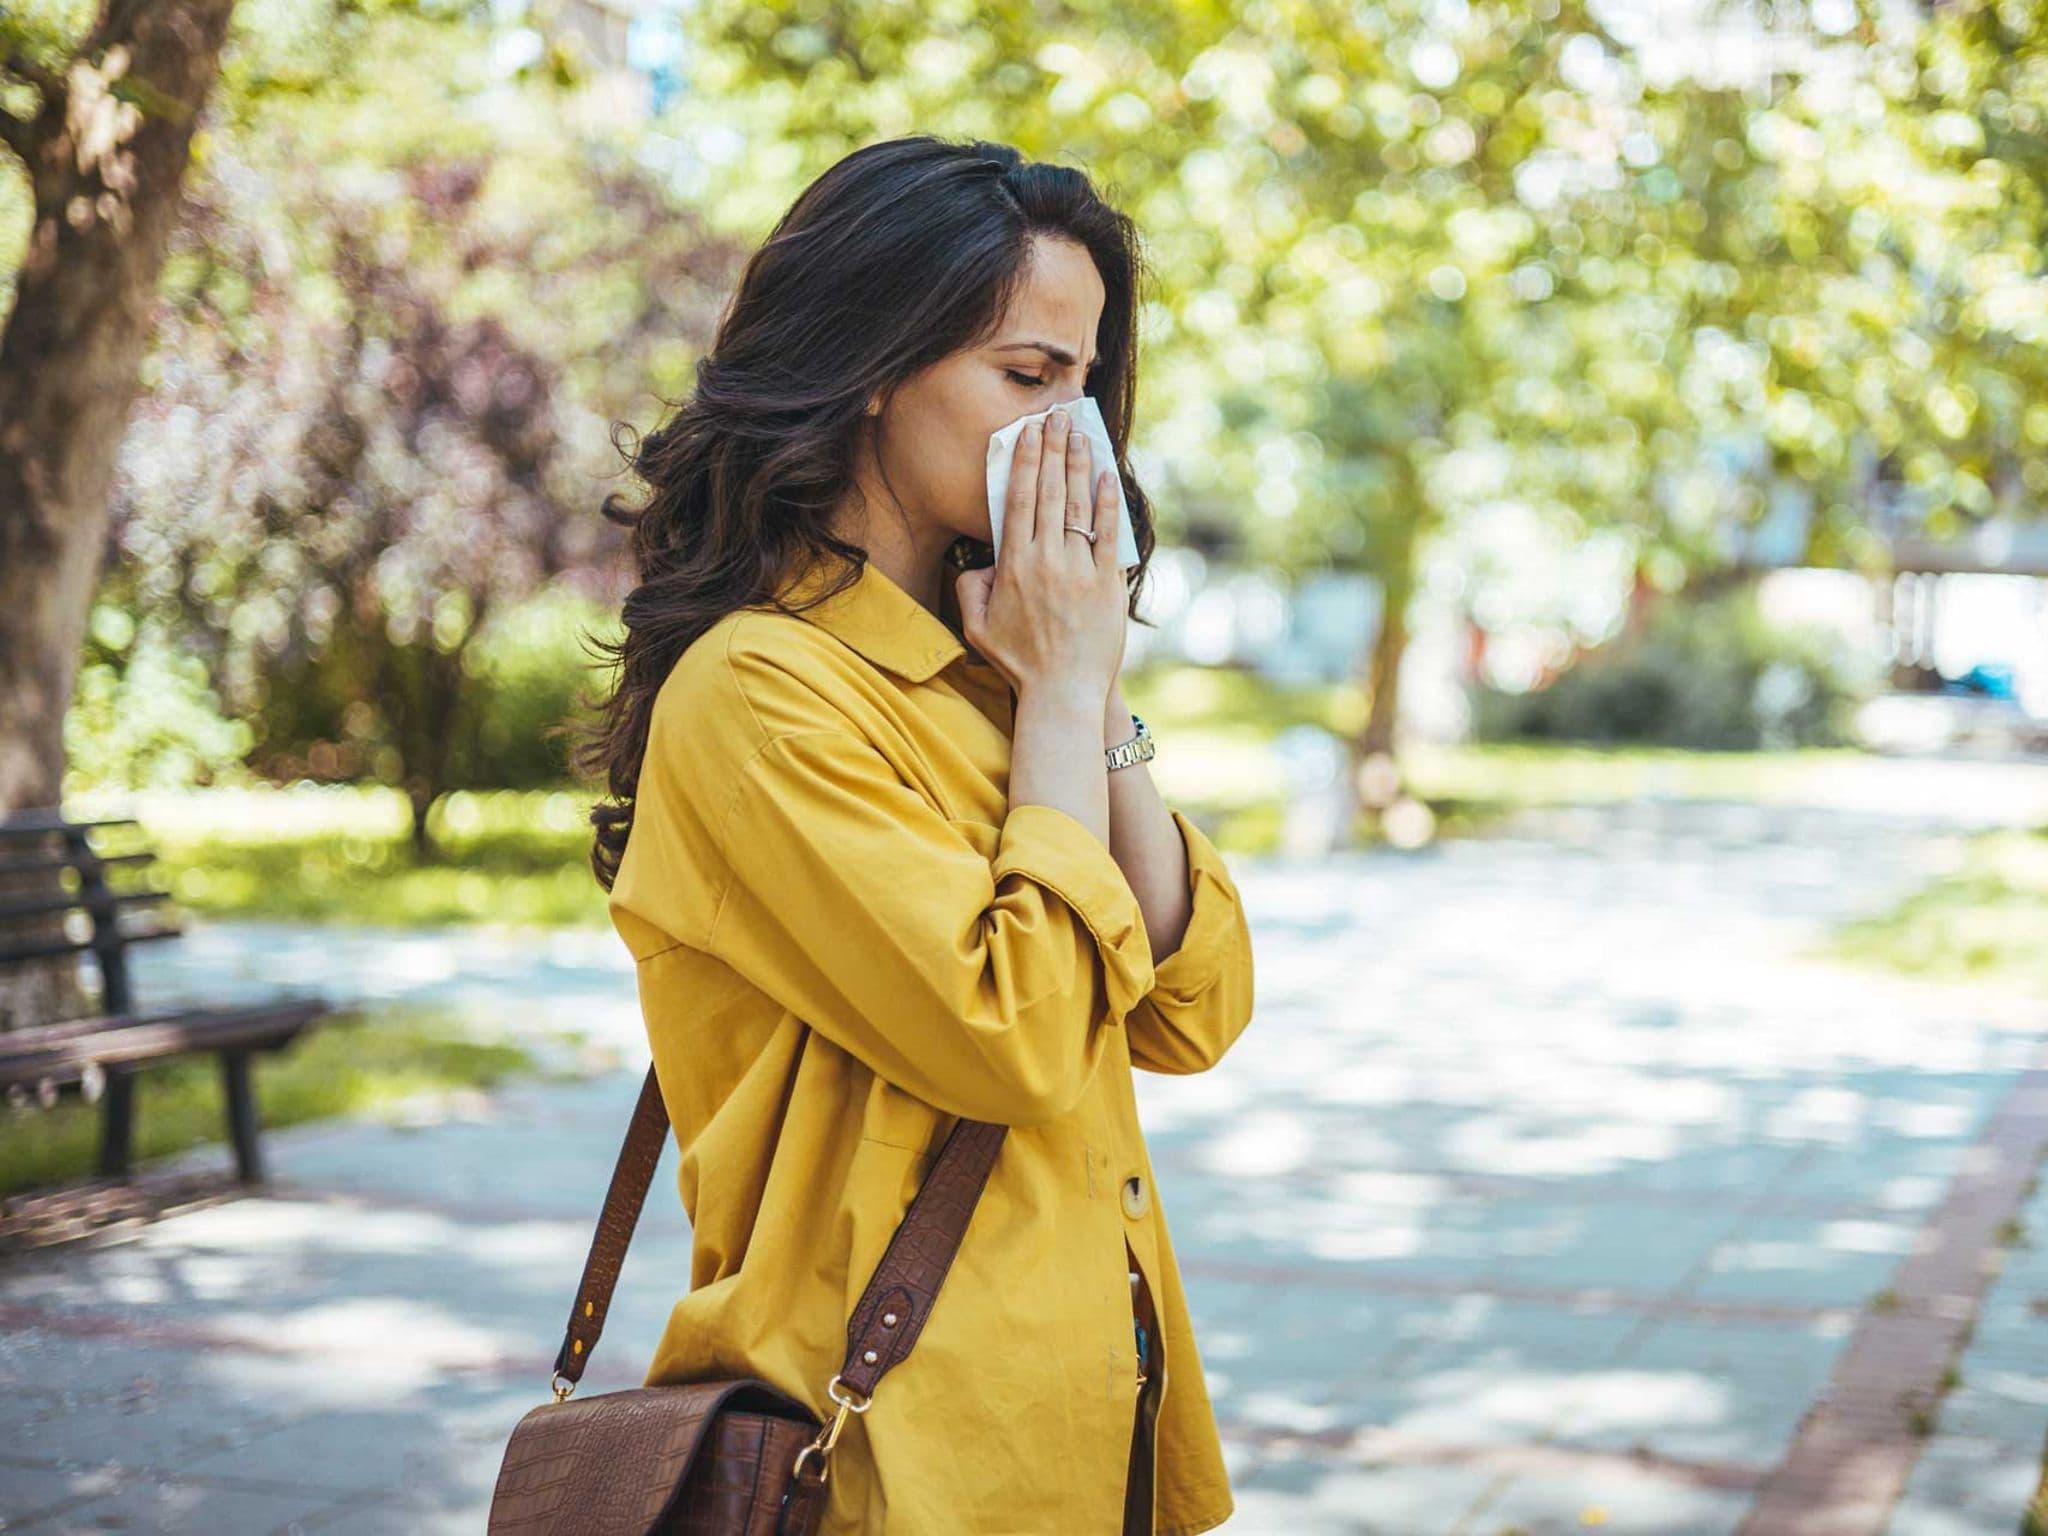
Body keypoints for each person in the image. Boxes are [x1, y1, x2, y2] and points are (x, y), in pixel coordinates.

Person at [580, 134, 1257, 1536]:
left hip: (1091, 1417)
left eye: (1085, 385)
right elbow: (1009, 1034)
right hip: (891, 1456)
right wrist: (1063, 695)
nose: (1072, 434)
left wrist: (1090, 694)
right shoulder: (758, 690)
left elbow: (1195, 1010)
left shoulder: (1001, 671)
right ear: (878, 365)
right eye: (1028, 376)